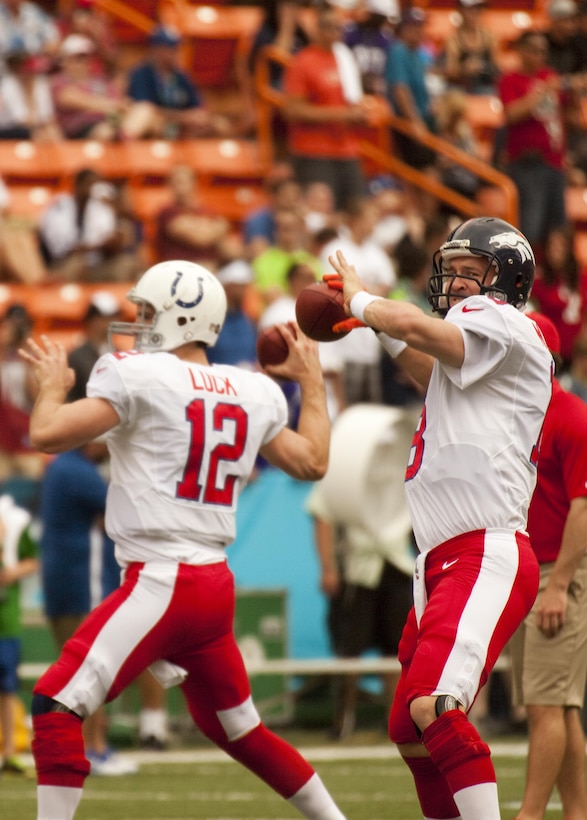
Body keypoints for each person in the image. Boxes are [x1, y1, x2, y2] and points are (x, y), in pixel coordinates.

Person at [19, 259, 346, 820]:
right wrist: (312, 385)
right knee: (238, 728)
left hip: (162, 578)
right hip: (212, 583)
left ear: (179, 316)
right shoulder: (253, 390)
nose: (139, 324)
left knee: (55, 703)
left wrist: (50, 390)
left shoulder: (139, 377)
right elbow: (313, 461)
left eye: (147, 313)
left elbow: (47, 434)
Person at [326, 216, 552, 819]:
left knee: (436, 706)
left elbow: (415, 327)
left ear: (505, 278)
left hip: (484, 548)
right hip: (442, 558)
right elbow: (430, 369)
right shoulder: (477, 352)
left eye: (467, 271)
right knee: (409, 728)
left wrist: (363, 300)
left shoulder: (503, 322)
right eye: (449, 270)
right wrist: (374, 325)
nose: (452, 283)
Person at [509, 311, 587, 820]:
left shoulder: (571, 416)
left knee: (544, 705)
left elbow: (583, 508)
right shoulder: (515, 415)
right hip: (527, 571)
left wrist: (559, 585)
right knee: (557, 706)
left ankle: (530, 815)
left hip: (559, 572)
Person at [39, 440, 140, 776]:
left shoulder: (63, 468)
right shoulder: (76, 470)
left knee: (80, 670)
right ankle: (91, 749)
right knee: (90, 668)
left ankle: (91, 747)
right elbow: (124, 510)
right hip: (81, 584)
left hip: (65, 585)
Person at [282, 3, 370, 211]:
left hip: (346, 148)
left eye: (338, 27)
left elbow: (353, 100)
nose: (334, 32)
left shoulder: (345, 59)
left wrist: (362, 112)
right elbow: (292, 110)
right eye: (328, 26)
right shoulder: (303, 62)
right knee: (320, 214)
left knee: (357, 209)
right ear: (318, 28)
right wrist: (342, 114)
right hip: (313, 151)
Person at [497, 30, 577, 255]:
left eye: (543, 51)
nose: (540, 55)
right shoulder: (511, 80)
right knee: (530, 228)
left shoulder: (549, 76)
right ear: (521, 51)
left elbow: (566, 118)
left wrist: (573, 97)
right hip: (528, 164)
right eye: (535, 50)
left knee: (557, 229)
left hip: (555, 162)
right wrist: (544, 92)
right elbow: (511, 114)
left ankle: (550, 281)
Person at [0, 492, 39, 775]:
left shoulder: (14, 519)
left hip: (6, 620)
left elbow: (32, 560)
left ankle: (9, 749)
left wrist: (12, 572)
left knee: (7, 686)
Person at [153, 164, 231, 272]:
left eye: (182, 182)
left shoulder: (208, 211)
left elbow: (225, 226)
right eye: (175, 182)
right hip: (178, 271)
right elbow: (199, 238)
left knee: (239, 270)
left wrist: (198, 227)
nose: (179, 187)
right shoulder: (167, 212)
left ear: (194, 183)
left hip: (212, 268)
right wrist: (210, 228)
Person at [441, 0, 500, 96]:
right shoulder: (453, 39)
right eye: (471, 9)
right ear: (461, 10)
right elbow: (450, 71)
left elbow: (496, 69)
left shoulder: (490, 37)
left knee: (489, 93)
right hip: (459, 87)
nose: (475, 13)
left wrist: (484, 68)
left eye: (479, 9)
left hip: (484, 85)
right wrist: (464, 70)